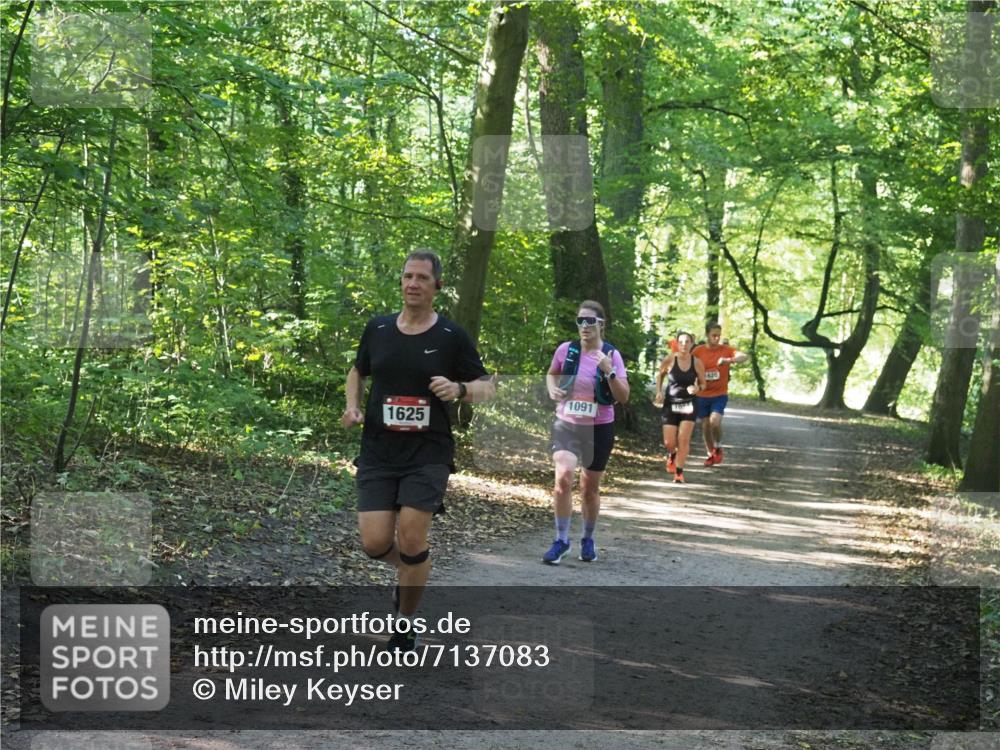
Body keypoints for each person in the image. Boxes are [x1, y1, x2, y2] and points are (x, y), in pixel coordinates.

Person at [341, 250, 494, 651]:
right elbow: (358, 371)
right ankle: (414, 573)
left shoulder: (450, 336)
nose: (413, 283)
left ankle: (405, 623)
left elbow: (488, 386)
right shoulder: (377, 329)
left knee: (411, 537)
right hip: (378, 450)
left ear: (436, 286)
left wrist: (460, 389)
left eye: (422, 278)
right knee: (374, 543)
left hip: (428, 452)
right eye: (408, 276)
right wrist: (352, 405)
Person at [543, 300, 629, 564]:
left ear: (600, 325)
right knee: (564, 478)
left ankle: (588, 539)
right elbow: (551, 374)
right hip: (567, 422)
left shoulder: (611, 355)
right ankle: (561, 540)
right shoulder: (565, 350)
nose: (584, 327)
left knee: (589, 488)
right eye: (580, 321)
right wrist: (552, 389)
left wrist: (609, 372)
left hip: (599, 426)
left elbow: (624, 397)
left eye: (589, 322)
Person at [692, 321, 748, 466]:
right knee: (705, 426)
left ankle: (718, 445)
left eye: (718, 336)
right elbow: (688, 365)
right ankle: (710, 454)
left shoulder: (725, 350)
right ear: (707, 335)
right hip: (701, 394)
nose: (716, 338)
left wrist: (729, 360)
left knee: (714, 422)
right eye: (713, 335)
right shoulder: (698, 351)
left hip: (719, 394)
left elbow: (744, 356)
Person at [654, 332, 706, 483]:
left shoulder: (697, 362)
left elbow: (703, 383)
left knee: (683, 439)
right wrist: (659, 391)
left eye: (687, 342)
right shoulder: (670, 359)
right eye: (681, 342)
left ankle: (679, 472)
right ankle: (672, 454)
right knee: (669, 442)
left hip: (689, 405)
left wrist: (697, 389)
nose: (684, 344)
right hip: (671, 404)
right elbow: (660, 375)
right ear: (677, 343)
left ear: (692, 344)